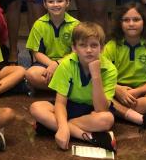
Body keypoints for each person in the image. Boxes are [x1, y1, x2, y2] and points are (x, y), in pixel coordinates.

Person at [29, 22, 117, 152]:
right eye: (83, 45)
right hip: (70, 106)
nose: (88, 50)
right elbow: (60, 103)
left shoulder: (110, 69)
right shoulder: (66, 64)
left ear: (102, 48)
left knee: (107, 119)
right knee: (36, 107)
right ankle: (87, 136)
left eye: (94, 45)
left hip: (92, 110)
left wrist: (96, 75)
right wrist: (64, 127)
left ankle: (53, 127)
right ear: (74, 48)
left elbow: (101, 108)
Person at [101, 2, 146, 133]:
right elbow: (101, 75)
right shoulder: (111, 46)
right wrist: (117, 89)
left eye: (136, 19)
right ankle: (139, 118)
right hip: (116, 90)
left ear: (144, 22)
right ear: (119, 23)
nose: (131, 24)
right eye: (126, 20)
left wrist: (137, 92)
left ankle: (119, 113)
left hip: (142, 93)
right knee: (100, 97)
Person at [24, 0, 79, 91]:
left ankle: (58, 89)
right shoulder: (39, 24)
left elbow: (77, 53)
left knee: (83, 72)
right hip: (46, 64)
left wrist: (58, 64)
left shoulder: (76, 25)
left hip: (69, 64)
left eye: (60, 1)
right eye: (51, 1)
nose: (55, 5)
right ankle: (68, 89)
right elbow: (36, 52)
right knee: (31, 74)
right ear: (44, 4)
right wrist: (52, 64)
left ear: (67, 2)